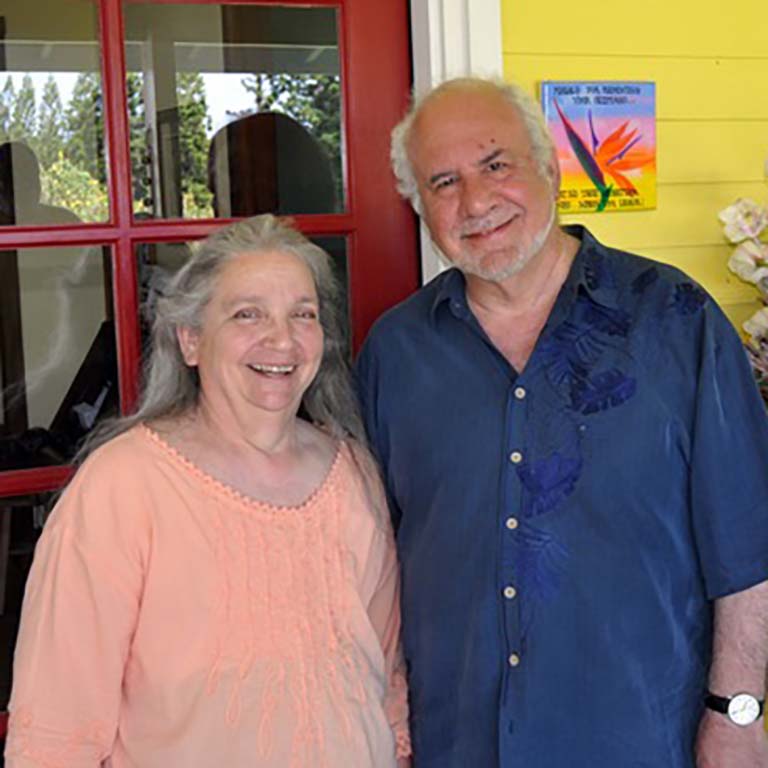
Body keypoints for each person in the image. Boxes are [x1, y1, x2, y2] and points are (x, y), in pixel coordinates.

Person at [355, 77, 768, 768]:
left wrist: (738, 714)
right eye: (444, 181)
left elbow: (748, 544)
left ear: (548, 162)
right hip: (454, 745)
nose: (477, 201)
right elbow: (367, 565)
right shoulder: (394, 354)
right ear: (420, 206)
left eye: (496, 165)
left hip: (642, 741)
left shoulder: (675, 319)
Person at [6, 215, 411, 767]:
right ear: (191, 340)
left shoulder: (353, 474)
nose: (282, 339)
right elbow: (55, 732)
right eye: (248, 314)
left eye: (303, 314)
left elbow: (387, 678)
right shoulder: (123, 486)